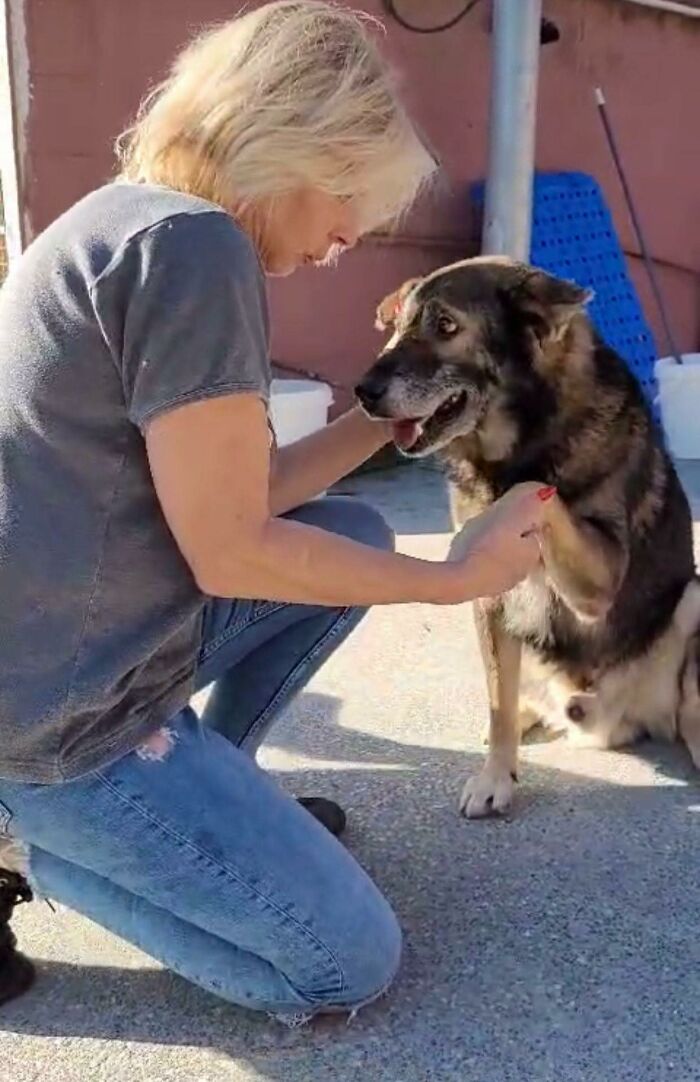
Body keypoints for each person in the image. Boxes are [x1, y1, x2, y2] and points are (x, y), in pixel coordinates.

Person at [0, 1, 547, 1019]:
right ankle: (46, 849)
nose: (346, 238)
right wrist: (455, 578)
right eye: (347, 197)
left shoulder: (124, 219)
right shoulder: (193, 251)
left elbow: (233, 498)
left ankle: (209, 791)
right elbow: (230, 550)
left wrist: (383, 428)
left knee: (354, 529)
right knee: (346, 963)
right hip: (62, 719)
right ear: (292, 145)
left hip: (57, 647)